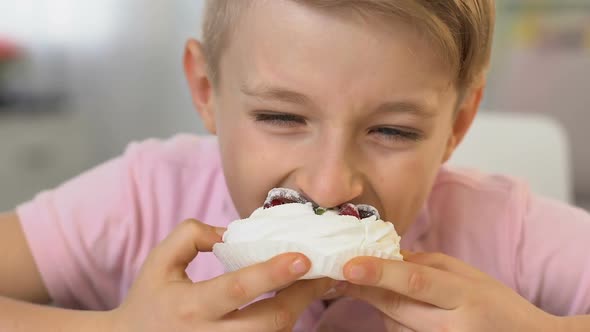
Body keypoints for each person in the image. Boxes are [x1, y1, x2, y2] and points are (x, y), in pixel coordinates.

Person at [2, 0, 590, 331]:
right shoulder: (142, 197)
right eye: (282, 117)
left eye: (393, 130)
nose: (329, 184)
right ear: (207, 89)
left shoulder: (503, 228)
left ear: (457, 125)